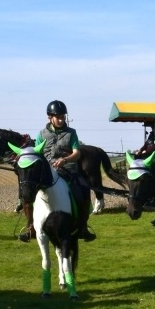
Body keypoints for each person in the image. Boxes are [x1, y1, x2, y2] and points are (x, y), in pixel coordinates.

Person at [35, 100, 96, 241]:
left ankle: (82, 227)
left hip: (69, 170)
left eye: (63, 117)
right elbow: (38, 155)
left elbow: (77, 153)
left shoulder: (71, 133)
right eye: (58, 117)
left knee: (84, 189)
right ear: (49, 117)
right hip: (48, 173)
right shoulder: (41, 134)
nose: (62, 119)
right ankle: (31, 227)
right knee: (29, 191)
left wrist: (65, 160)